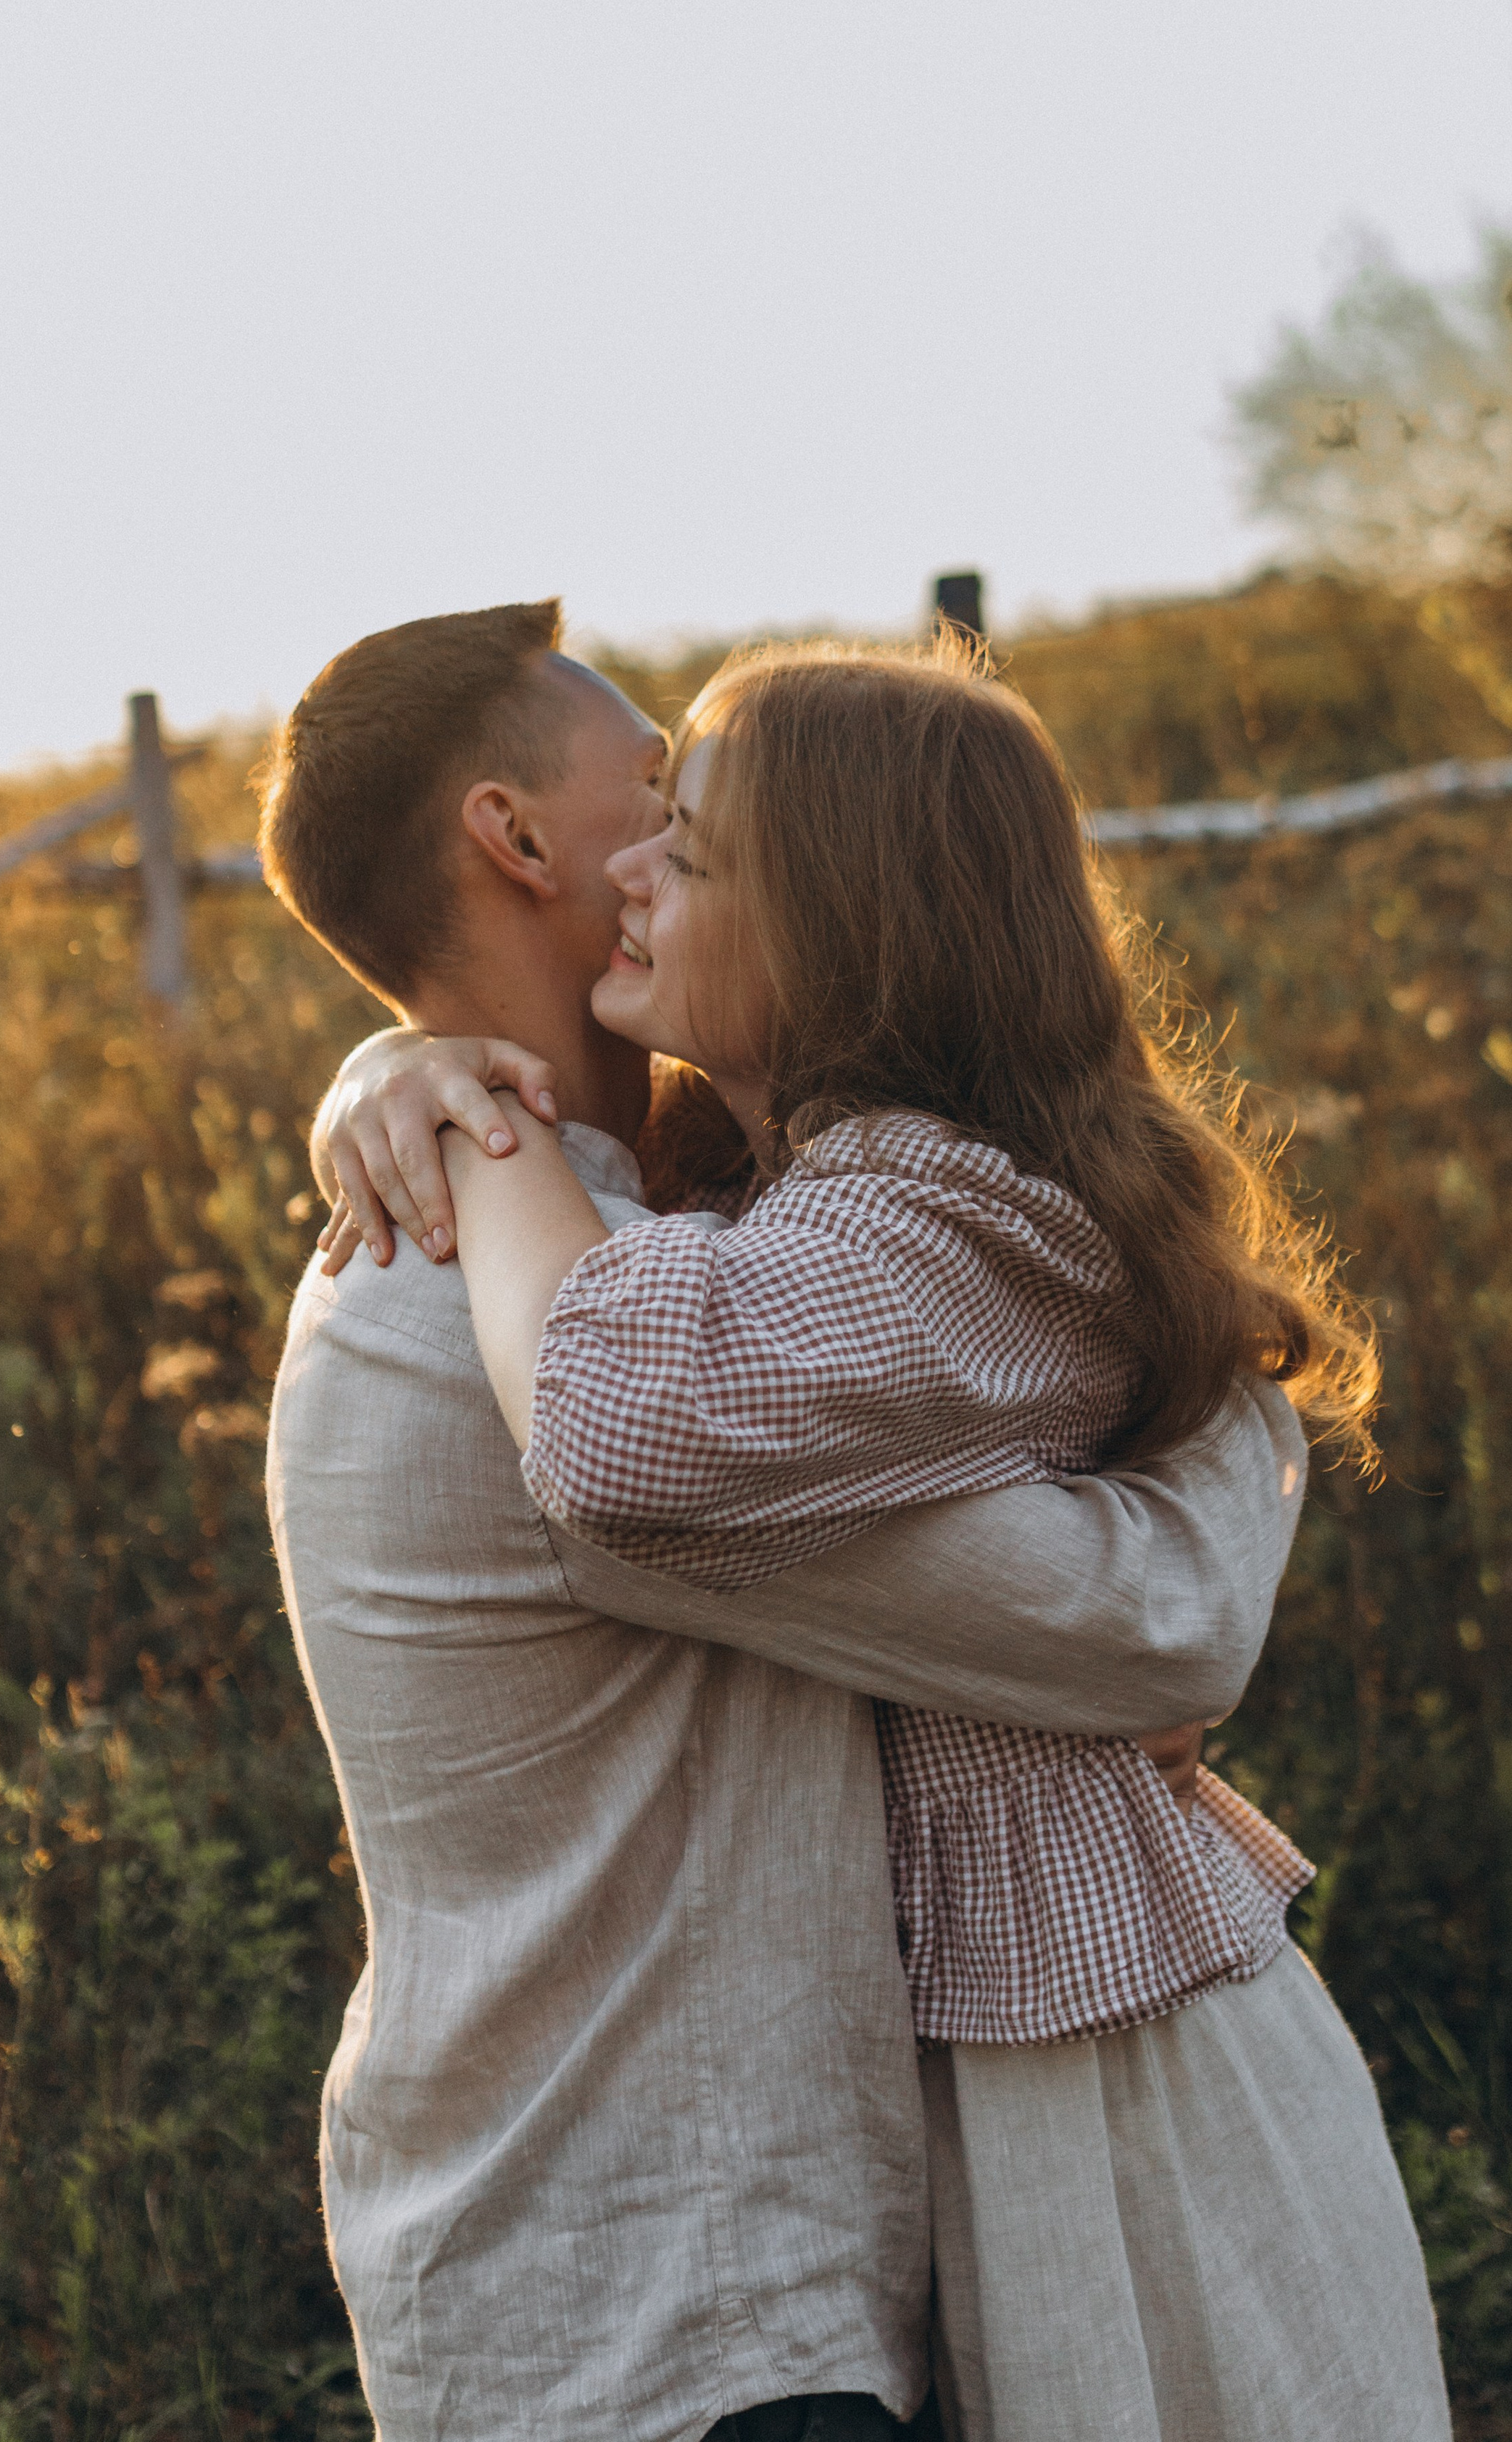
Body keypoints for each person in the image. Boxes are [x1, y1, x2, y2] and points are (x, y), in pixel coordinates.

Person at [261, 600, 1309, 2442]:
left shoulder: (630, 1242)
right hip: (673, 2311)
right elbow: (1143, 1628)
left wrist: (400, 1068)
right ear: (516, 840)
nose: (669, 843)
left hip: (656, 2282)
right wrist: (1230, 1410)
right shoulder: (489, 1329)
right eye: (653, 789)